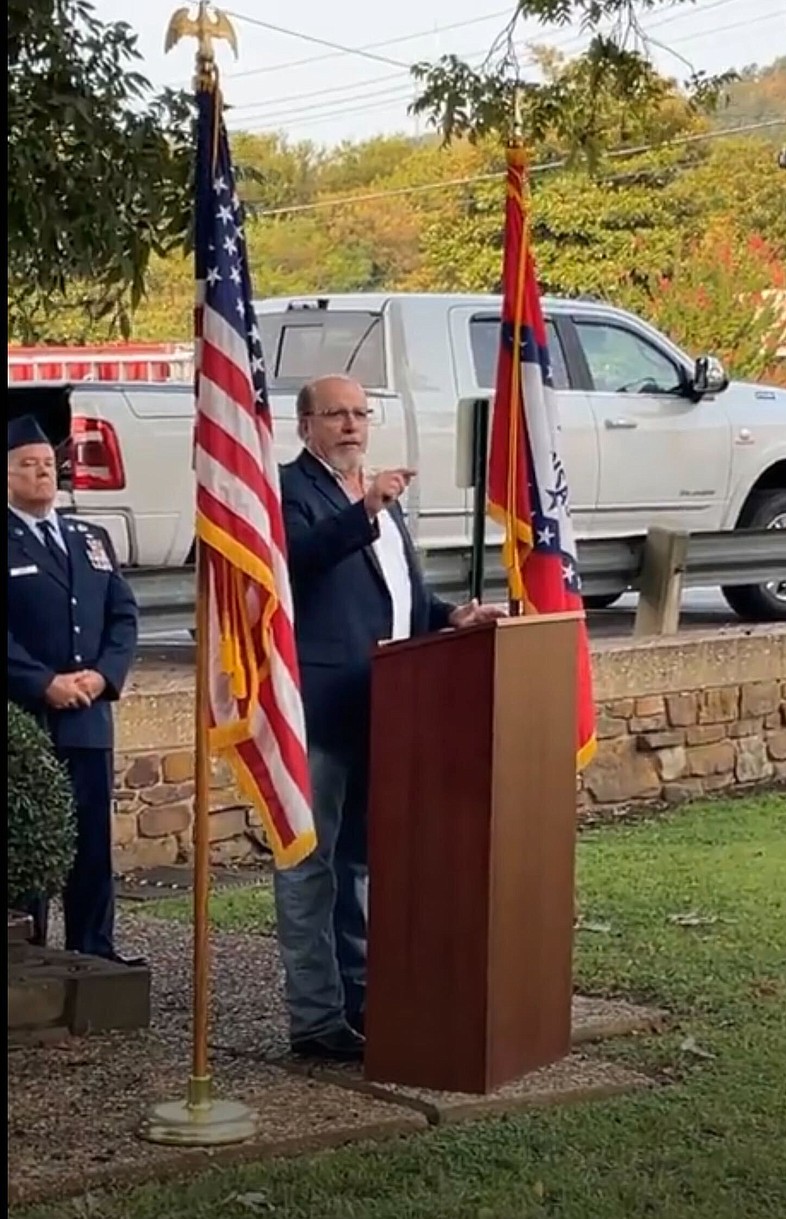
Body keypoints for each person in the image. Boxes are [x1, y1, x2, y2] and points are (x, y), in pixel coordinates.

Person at [276, 375, 504, 1061]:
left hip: (386, 706)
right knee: (309, 866)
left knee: (362, 864)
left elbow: (399, 592)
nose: (350, 425)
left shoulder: (376, 495)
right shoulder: (290, 491)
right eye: (335, 415)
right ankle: (315, 1017)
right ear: (305, 425)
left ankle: (363, 998)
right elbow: (294, 565)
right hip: (319, 707)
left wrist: (451, 616)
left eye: (360, 414)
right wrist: (364, 509)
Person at [7, 415, 142, 965]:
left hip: (87, 715)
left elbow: (123, 612)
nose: (41, 475)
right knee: (28, 841)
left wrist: (103, 675)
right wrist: (43, 683)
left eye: (47, 465)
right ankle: (27, 956)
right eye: (26, 466)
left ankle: (95, 953)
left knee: (89, 843)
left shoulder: (89, 537)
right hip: (25, 718)